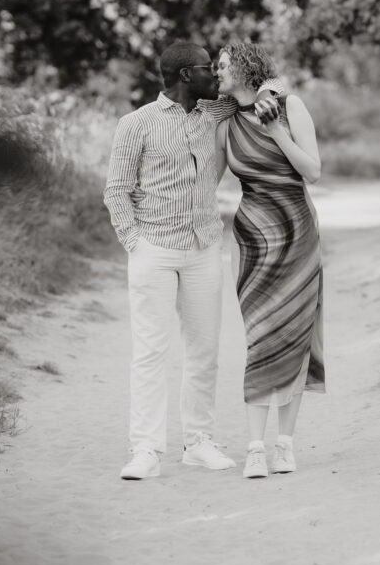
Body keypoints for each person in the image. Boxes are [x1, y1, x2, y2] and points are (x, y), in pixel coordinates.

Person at [103, 41, 282, 480]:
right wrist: (135, 243)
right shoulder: (136, 123)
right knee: (150, 352)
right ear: (186, 75)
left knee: (204, 352)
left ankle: (198, 442)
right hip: (154, 250)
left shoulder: (215, 113)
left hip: (204, 248)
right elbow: (116, 190)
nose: (215, 75)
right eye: (208, 68)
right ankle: (145, 449)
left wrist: (268, 98)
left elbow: (263, 91)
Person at [214, 41, 323, 479]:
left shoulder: (291, 106)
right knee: (260, 337)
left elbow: (312, 171)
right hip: (253, 238)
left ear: (244, 66)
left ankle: (285, 445)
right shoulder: (224, 123)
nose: (216, 72)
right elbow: (209, 180)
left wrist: (277, 132)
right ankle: (255, 448)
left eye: (222, 65)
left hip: (298, 231)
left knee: (295, 335)